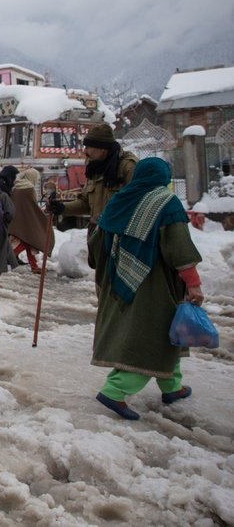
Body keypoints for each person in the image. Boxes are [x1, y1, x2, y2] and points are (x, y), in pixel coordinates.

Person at [89, 157, 202, 420]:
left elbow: (98, 243)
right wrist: (193, 283)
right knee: (151, 338)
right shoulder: (167, 202)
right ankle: (115, 391)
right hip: (154, 284)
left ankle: (172, 386)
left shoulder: (120, 200)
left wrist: (105, 278)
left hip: (119, 279)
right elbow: (178, 246)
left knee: (169, 332)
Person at [47, 123, 139, 230]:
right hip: (98, 238)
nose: (85, 151)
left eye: (89, 146)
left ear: (102, 148)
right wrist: (62, 208)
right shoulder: (95, 167)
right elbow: (86, 203)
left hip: (118, 238)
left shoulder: (128, 167)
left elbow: (139, 204)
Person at [8, 167, 55, 274]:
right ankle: (6, 257)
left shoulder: (17, 186)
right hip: (27, 220)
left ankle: (33, 265)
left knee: (30, 242)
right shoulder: (29, 188)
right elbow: (33, 206)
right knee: (27, 241)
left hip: (17, 219)